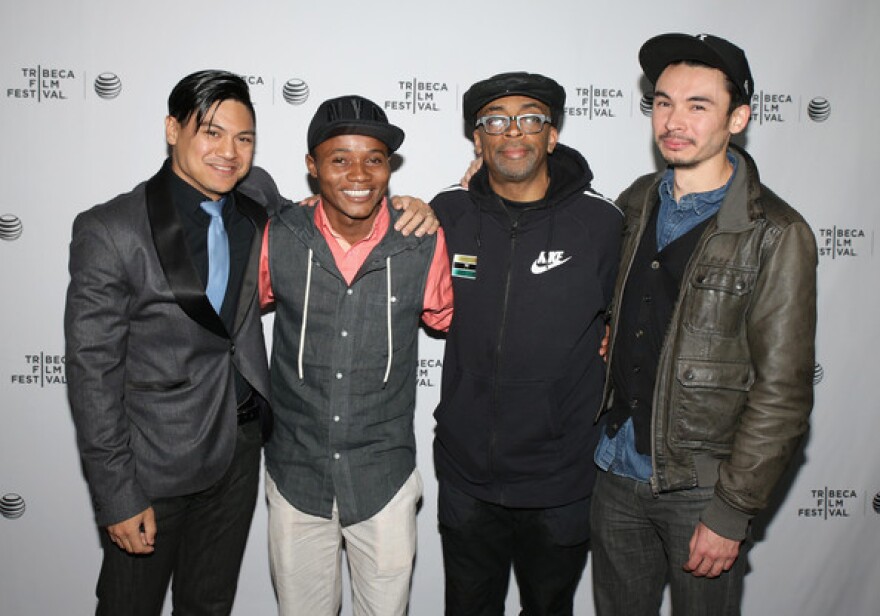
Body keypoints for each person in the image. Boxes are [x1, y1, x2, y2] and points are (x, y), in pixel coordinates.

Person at [591, 33, 817, 615]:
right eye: (663, 102)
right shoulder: (637, 202)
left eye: (698, 105)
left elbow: (783, 391)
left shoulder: (776, 232)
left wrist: (731, 510)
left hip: (700, 489)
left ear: (737, 118)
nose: (674, 120)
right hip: (614, 471)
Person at [65, 70, 276, 615]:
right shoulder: (112, 230)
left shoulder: (256, 200)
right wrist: (118, 493)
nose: (229, 152)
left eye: (244, 138)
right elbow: (93, 373)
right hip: (153, 462)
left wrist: (419, 206)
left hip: (237, 450)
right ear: (172, 129)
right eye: (211, 132)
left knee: (208, 605)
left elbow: (330, 217)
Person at [431, 72, 623, 615]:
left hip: (561, 478)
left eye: (530, 118)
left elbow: (638, 321)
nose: (512, 132)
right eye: (495, 120)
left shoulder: (603, 224)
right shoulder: (447, 215)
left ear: (552, 135)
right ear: (478, 139)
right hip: (467, 475)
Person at [260, 94, 453, 616]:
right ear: (311, 167)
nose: (359, 173)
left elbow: (451, 317)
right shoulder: (278, 235)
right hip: (295, 473)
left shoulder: (422, 240)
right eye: (339, 158)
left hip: (382, 477)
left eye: (374, 158)